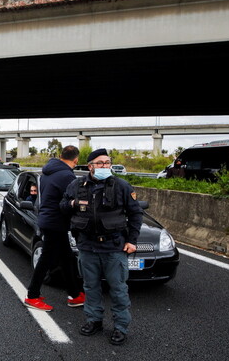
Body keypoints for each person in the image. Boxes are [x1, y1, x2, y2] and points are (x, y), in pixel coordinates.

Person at [60, 148, 143, 346]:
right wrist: (72, 203)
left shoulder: (121, 186)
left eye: (107, 162)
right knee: (90, 287)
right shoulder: (76, 185)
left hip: (114, 247)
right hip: (87, 247)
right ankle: (94, 320)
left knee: (118, 289)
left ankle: (120, 327)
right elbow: (62, 206)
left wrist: (132, 241)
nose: (105, 166)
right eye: (100, 163)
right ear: (90, 166)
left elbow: (136, 213)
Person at [23, 145, 84, 312]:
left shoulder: (47, 172)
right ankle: (32, 296)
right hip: (56, 222)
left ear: (61, 155)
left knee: (66, 257)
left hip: (49, 220)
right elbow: (72, 199)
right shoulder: (66, 175)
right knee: (47, 259)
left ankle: (74, 294)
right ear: (76, 160)